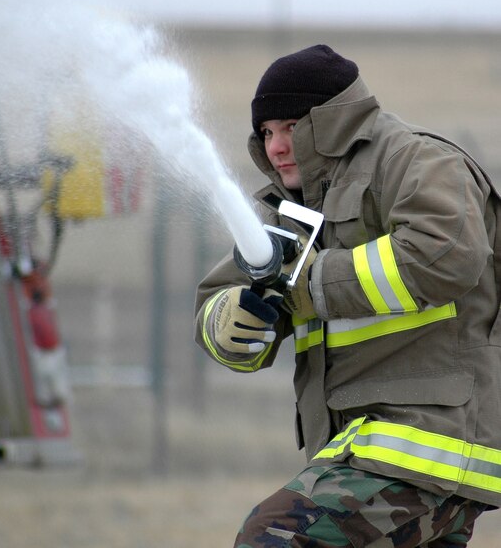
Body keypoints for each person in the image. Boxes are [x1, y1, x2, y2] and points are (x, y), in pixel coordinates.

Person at [194, 44, 501, 547]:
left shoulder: (415, 160)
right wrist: (231, 322)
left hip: (424, 444)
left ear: (332, 119)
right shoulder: (288, 213)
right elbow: (217, 297)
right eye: (267, 132)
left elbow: (447, 252)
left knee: (273, 536)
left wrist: (314, 285)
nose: (275, 146)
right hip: (364, 449)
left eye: (291, 127)